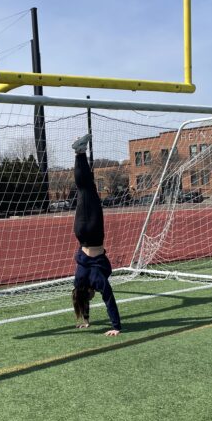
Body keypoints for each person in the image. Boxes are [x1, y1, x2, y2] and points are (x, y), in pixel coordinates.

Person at [70, 134, 121, 337]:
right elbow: (80, 296)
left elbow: (109, 300)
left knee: (88, 189)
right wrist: (86, 321)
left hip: (93, 232)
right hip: (80, 234)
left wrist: (116, 326)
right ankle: (79, 153)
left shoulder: (97, 280)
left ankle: (80, 152)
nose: (92, 297)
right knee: (83, 190)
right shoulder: (79, 281)